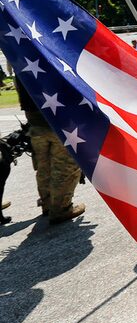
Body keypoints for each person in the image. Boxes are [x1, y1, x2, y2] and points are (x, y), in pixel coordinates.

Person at [16, 78, 84, 224]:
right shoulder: (48, 55)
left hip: (34, 120)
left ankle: (47, 204)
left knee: (43, 166)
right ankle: (61, 209)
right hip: (59, 120)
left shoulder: (20, 56)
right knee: (65, 167)